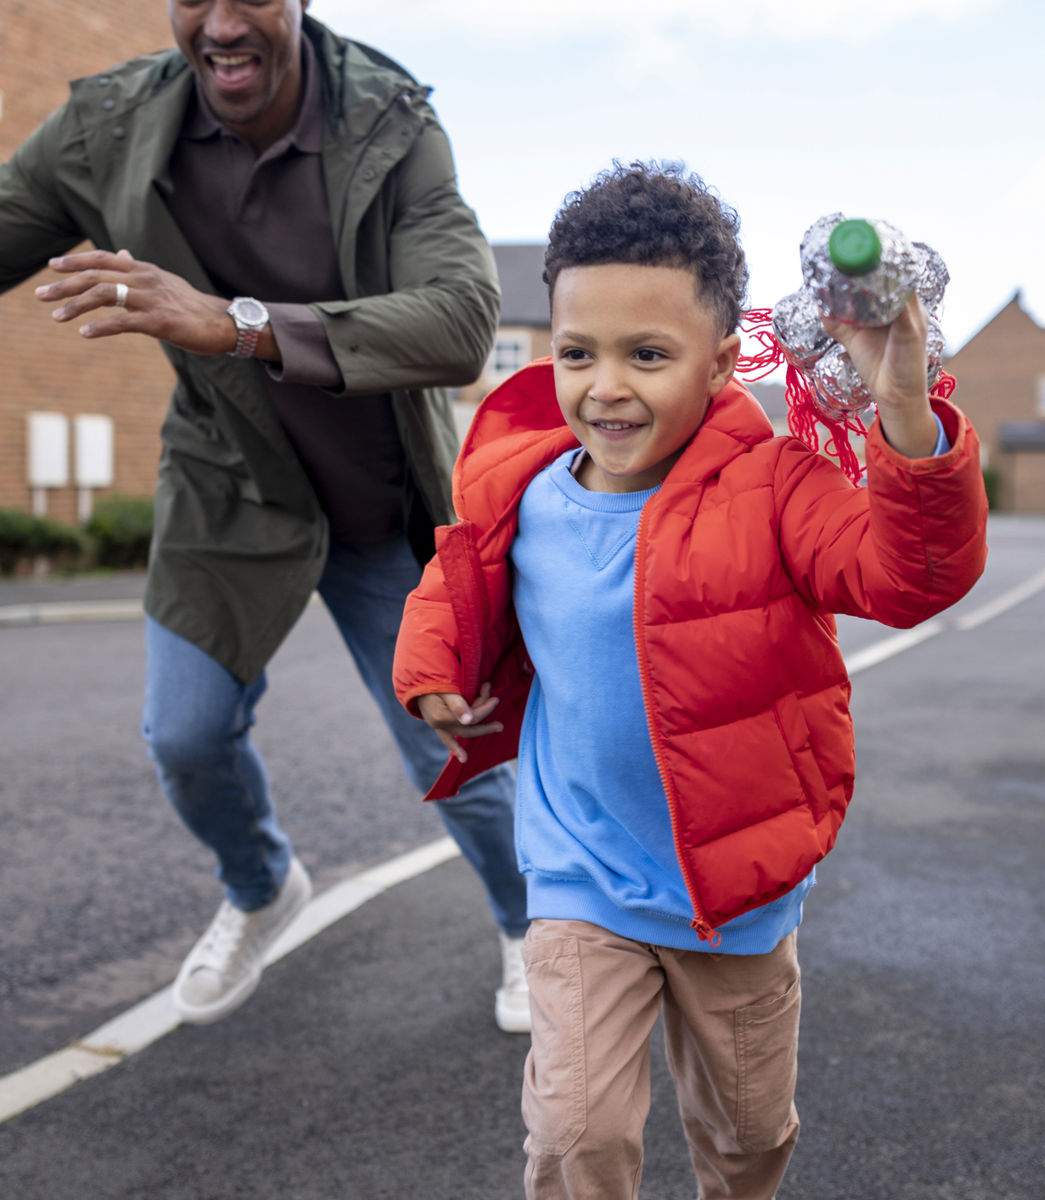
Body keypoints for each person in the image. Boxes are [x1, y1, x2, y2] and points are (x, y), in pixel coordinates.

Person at [393, 162, 989, 1196]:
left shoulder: (777, 488)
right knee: (575, 1136)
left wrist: (902, 405)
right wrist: (431, 673)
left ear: (720, 364)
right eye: (577, 352)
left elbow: (910, 578)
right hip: (581, 875)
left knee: (746, 1139)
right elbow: (456, 580)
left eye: (648, 354)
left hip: (736, 890)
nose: (605, 385)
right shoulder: (521, 486)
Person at [0, 0, 530, 1032]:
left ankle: (530, 929)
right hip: (231, 488)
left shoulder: (390, 121)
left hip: (382, 497)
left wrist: (233, 323)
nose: (220, 23)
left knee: (456, 750)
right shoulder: (108, 129)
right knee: (186, 736)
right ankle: (260, 887)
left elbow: (464, 321)